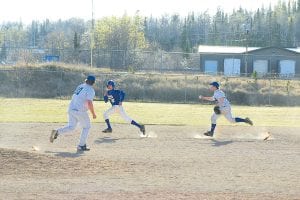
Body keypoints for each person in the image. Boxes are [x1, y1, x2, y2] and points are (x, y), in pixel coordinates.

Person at [49, 75, 97, 151]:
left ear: (86, 80)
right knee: (86, 127)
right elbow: (89, 102)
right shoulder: (90, 90)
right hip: (80, 111)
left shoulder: (80, 86)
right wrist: (93, 113)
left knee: (71, 126)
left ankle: (57, 131)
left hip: (71, 109)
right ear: (93, 83)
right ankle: (81, 145)